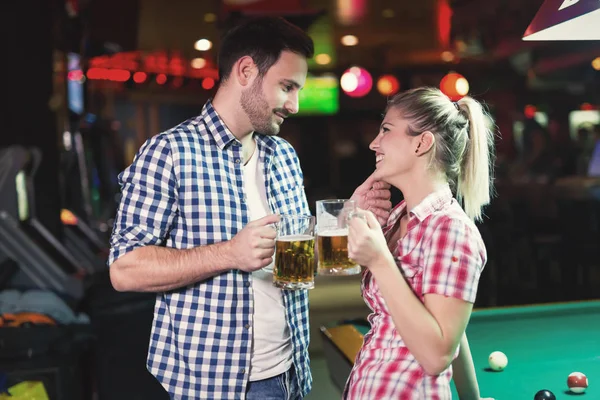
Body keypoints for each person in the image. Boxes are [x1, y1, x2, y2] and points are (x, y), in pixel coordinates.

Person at [107, 16, 391, 400]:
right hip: (213, 386)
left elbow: (295, 255)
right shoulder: (169, 152)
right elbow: (124, 270)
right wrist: (229, 253)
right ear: (245, 71)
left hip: (291, 373)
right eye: (287, 87)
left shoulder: (283, 155)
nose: (294, 104)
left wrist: (343, 215)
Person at [344, 87, 496, 399]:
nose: (374, 143)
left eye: (386, 130)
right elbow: (451, 325)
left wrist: (379, 261)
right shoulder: (396, 219)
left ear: (422, 143)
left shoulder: (451, 229)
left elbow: (437, 355)